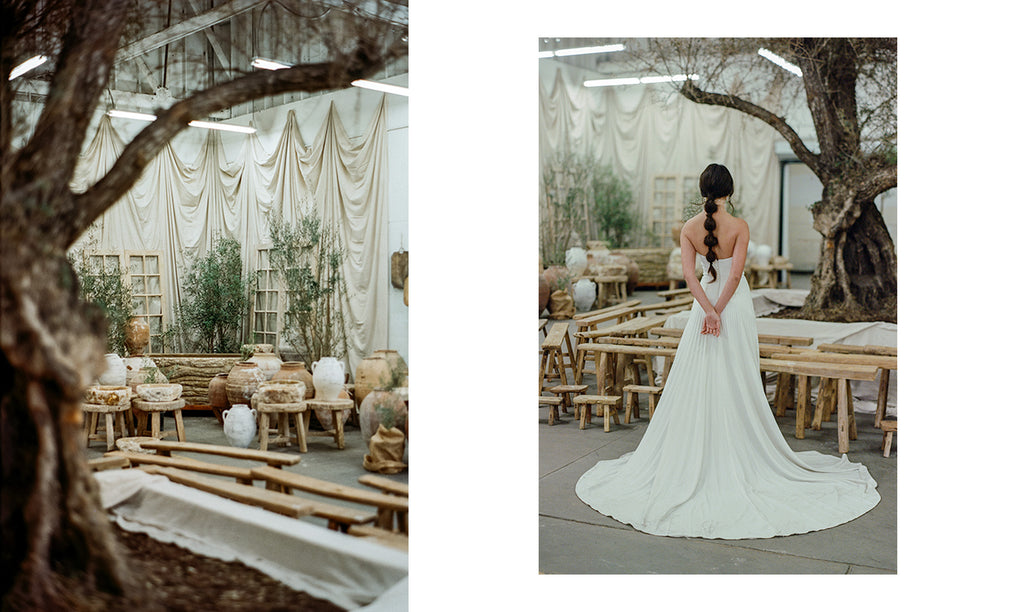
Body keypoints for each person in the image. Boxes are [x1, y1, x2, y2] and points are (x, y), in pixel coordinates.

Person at [575, 163, 880, 539]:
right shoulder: (740, 227)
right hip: (732, 308)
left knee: (699, 375)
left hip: (703, 305)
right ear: (729, 191)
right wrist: (719, 312)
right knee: (736, 375)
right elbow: (734, 277)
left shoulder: (689, 229)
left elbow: (690, 276)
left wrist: (706, 310)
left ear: (703, 189)